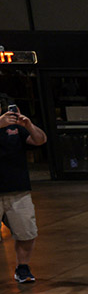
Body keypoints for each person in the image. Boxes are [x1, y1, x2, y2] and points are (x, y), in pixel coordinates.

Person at [0, 105, 47, 283]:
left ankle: (23, 268)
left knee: (27, 232)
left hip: (18, 190)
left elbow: (40, 140)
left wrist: (28, 125)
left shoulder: (14, 127)